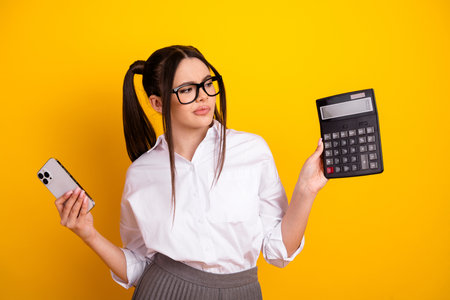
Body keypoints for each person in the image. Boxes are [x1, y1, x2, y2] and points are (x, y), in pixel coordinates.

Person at [54, 45, 328, 300]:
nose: (203, 96)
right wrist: (87, 233)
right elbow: (139, 269)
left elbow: (279, 251)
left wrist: (306, 190)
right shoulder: (141, 174)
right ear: (158, 103)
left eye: (208, 84)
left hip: (241, 291)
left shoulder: (252, 150)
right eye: (187, 89)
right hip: (164, 291)